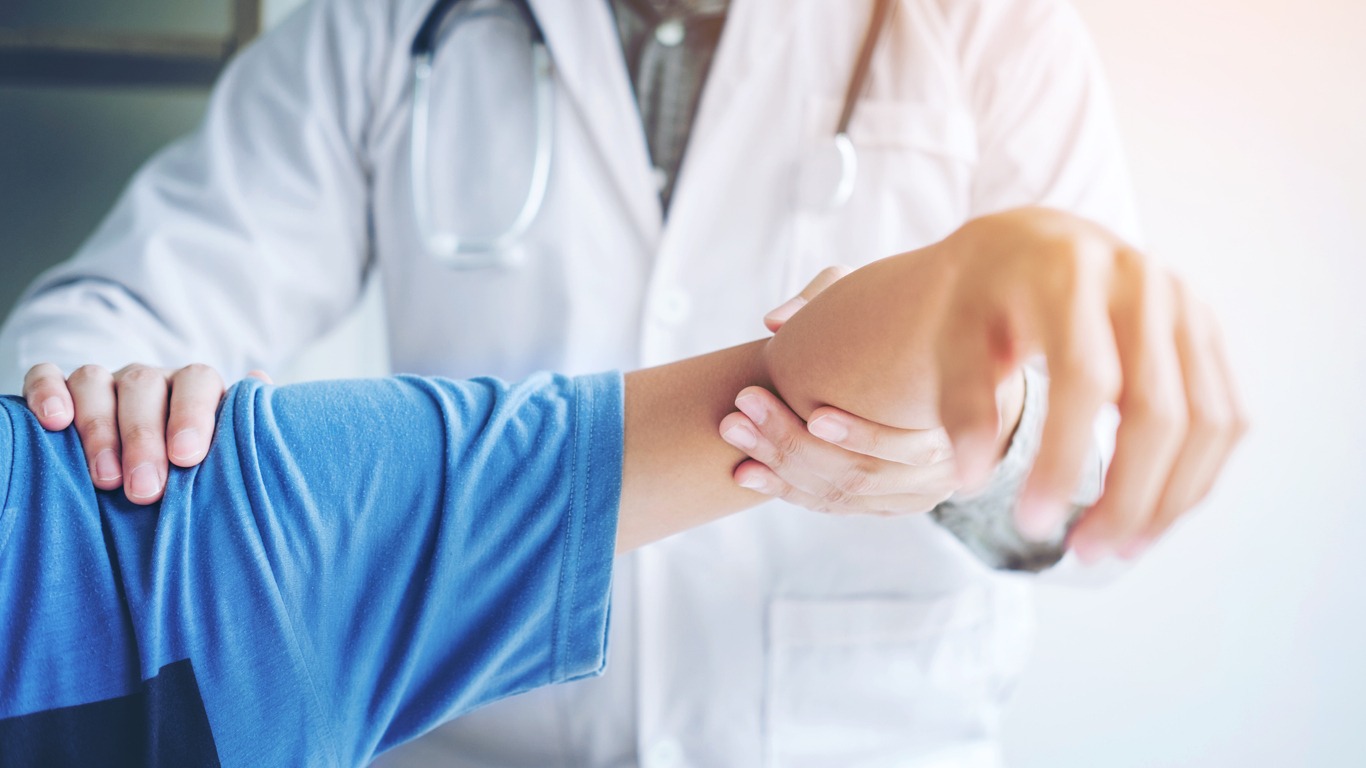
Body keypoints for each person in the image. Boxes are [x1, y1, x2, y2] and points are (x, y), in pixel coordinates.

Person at [0, 0, 1244, 764]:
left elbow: (1099, 457)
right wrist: (114, 392)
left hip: (859, 739)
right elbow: (111, 313)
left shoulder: (994, 31)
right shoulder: (380, 27)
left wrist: (984, 444)